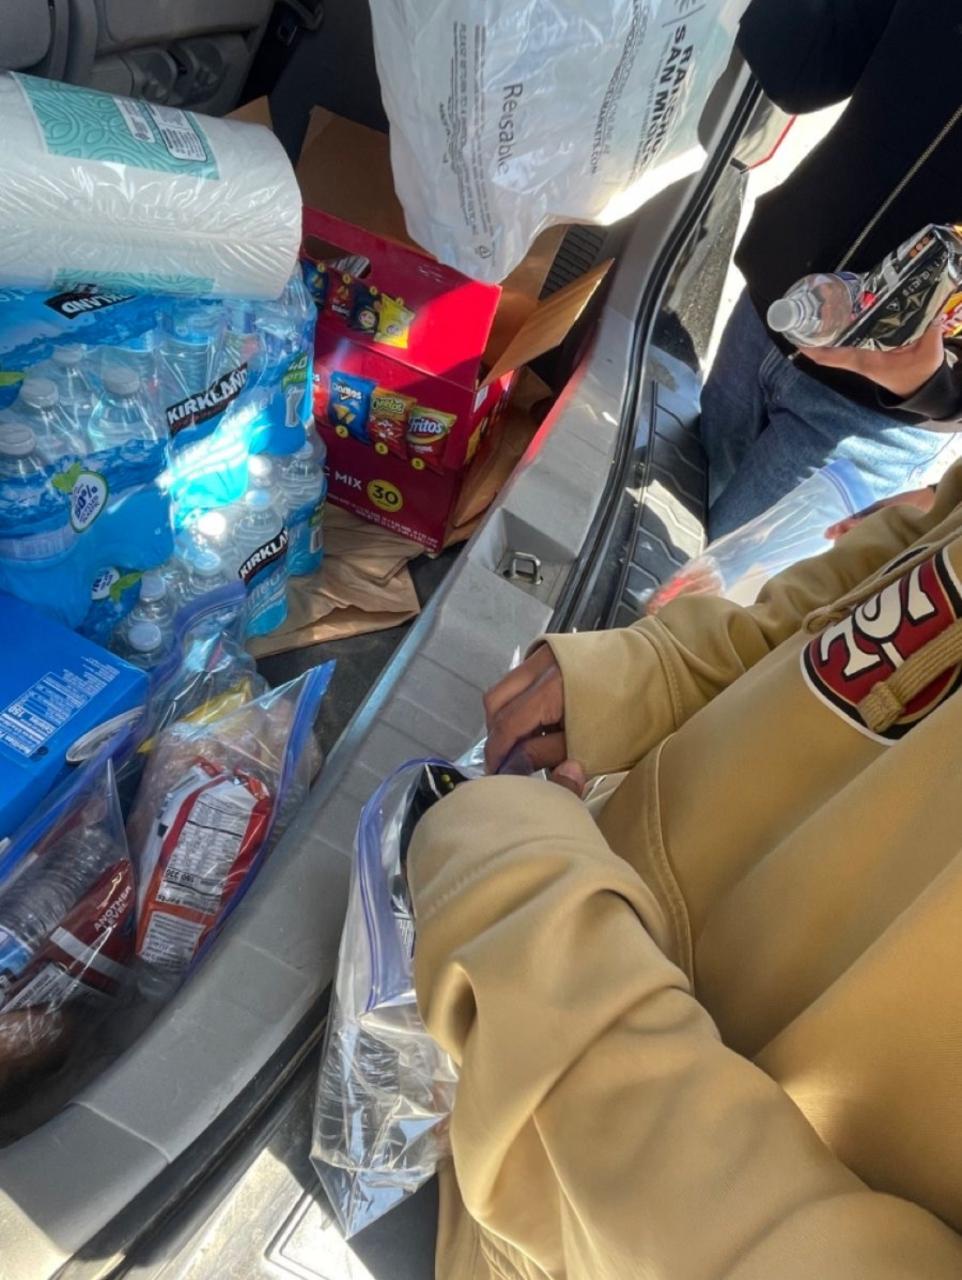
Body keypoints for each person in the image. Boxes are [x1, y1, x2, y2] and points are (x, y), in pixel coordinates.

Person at [404, 461, 962, 1278]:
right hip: (529, 951)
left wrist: (518, 907)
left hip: (549, 1223)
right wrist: (659, 671)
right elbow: (911, 551)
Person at [702, 0, 962, 538]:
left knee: (695, 584)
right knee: (660, 519)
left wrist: (934, 388)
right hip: (771, 313)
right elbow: (806, 69)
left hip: (873, 421)